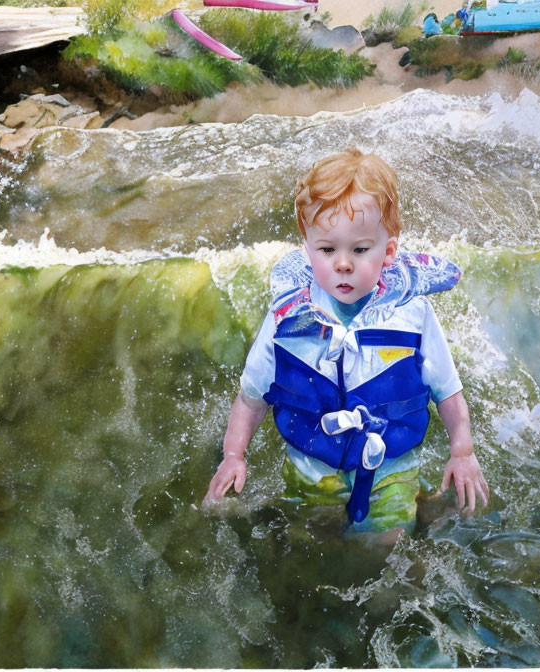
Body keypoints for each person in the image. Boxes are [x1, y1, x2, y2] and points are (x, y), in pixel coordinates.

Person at [205, 149, 488, 536]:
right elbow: (252, 397)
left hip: (390, 465)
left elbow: (449, 392)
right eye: (327, 249)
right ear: (307, 248)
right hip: (311, 464)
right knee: (311, 540)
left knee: (386, 545)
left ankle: (412, 510)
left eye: (359, 249)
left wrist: (463, 452)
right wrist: (233, 455)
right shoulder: (288, 317)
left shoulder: (411, 313)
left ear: (388, 251)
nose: (343, 263)